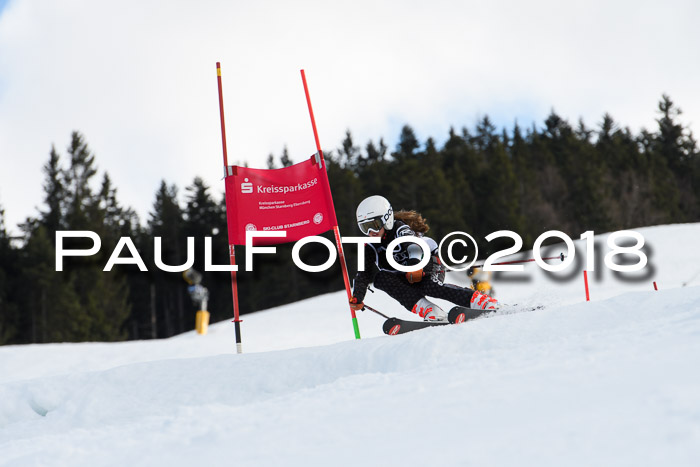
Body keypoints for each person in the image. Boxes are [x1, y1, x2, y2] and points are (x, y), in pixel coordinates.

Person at [349, 195, 498, 321]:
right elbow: (363, 274)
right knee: (380, 279)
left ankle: (481, 301)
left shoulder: (400, 229)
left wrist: (415, 265)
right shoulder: (369, 246)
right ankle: (430, 311)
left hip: (427, 262)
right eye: (364, 227)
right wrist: (358, 296)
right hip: (405, 275)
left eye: (374, 225)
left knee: (430, 287)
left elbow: (413, 246)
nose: (370, 232)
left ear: (386, 219)